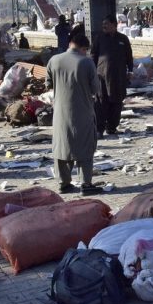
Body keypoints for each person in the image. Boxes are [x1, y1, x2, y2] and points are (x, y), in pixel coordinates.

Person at [47, 33, 103, 196]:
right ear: (83, 48)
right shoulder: (86, 62)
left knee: (62, 146)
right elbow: (95, 89)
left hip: (60, 114)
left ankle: (63, 184)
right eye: (86, 50)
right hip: (83, 112)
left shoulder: (54, 60)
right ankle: (86, 184)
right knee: (85, 147)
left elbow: (48, 84)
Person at [92, 15, 134, 136]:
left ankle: (112, 127)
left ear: (114, 25)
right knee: (101, 102)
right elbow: (93, 55)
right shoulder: (99, 38)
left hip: (118, 77)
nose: (103, 26)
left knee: (116, 102)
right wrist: (92, 73)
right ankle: (99, 129)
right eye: (103, 24)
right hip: (102, 76)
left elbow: (129, 57)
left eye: (106, 24)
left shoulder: (123, 39)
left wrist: (130, 71)